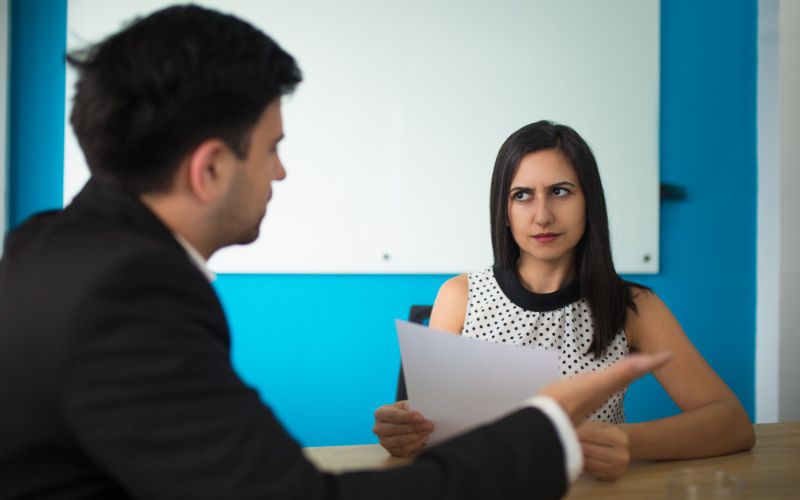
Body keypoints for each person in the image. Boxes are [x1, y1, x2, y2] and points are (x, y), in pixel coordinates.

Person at [0, 5, 671, 499]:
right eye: (272, 148)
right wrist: (549, 426)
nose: (281, 174)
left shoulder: (42, 248)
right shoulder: (130, 294)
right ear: (208, 169)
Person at [373, 121, 755, 481]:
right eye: (522, 196)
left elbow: (733, 425)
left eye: (560, 191)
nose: (542, 216)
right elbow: (425, 433)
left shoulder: (633, 306)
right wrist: (403, 435)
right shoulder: (460, 297)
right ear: (503, 213)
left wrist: (628, 441)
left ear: (589, 202)